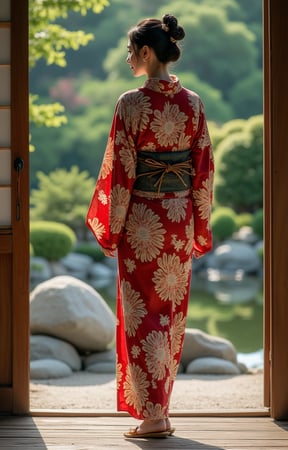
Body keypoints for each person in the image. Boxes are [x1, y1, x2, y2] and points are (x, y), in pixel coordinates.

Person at [86, 13, 214, 438]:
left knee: (143, 319)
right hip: (177, 222)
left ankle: (154, 416)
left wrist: (111, 228)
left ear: (145, 52)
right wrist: (199, 226)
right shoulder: (193, 103)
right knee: (170, 317)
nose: (127, 59)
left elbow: (120, 171)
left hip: (142, 221)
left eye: (130, 51)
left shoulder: (131, 104)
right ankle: (162, 412)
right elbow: (203, 169)